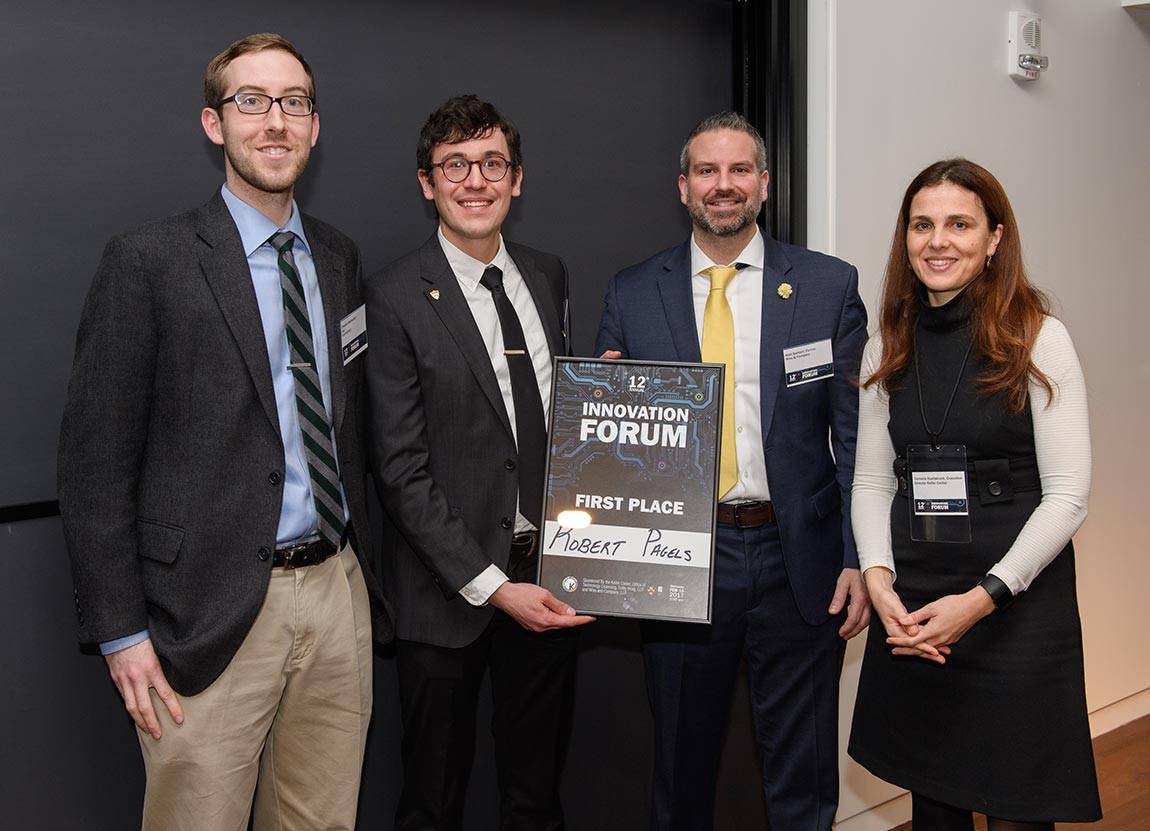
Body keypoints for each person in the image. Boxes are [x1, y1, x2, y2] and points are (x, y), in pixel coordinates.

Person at [56, 33, 388, 831]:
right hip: (204, 612)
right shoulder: (149, 261)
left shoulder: (337, 257)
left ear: (315, 126)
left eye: (293, 103)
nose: (275, 121)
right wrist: (121, 632)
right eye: (252, 101)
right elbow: (95, 465)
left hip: (336, 596)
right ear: (215, 123)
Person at [595, 111, 870, 831]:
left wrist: (856, 557)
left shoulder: (827, 286)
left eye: (740, 170)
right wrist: (603, 398)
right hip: (682, 556)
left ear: (765, 184)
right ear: (683, 187)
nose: (724, 185)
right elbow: (610, 450)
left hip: (798, 558)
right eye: (707, 171)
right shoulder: (632, 293)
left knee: (804, 775)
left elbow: (856, 438)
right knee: (681, 770)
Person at [848, 158, 1101, 829]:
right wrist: (879, 579)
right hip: (918, 602)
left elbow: (1069, 495)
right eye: (922, 225)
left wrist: (984, 597)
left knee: (1019, 806)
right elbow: (872, 479)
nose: (938, 241)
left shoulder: (1039, 337)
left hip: (1015, 603)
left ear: (994, 238)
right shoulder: (887, 343)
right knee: (934, 799)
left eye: (959, 224)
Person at [364, 94, 594, 831]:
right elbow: (400, 470)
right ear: (427, 182)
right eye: (455, 165)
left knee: (537, 793)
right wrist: (494, 588)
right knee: (432, 802)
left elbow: (554, 420)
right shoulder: (392, 295)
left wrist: (604, 395)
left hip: (547, 578)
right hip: (446, 595)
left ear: (517, 179)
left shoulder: (549, 274)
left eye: (492, 164)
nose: (475, 181)